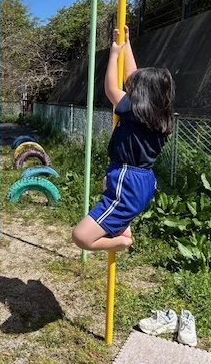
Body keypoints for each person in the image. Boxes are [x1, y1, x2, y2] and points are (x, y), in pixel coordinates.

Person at [72, 26, 175, 252]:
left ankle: (122, 242)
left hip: (127, 181)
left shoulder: (133, 111)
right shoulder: (158, 115)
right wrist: (127, 44)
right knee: (106, 184)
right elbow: (132, 80)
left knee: (81, 237)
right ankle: (122, 226)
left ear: (141, 95)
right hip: (141, 179)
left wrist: (114, 55)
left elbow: (111, 89)